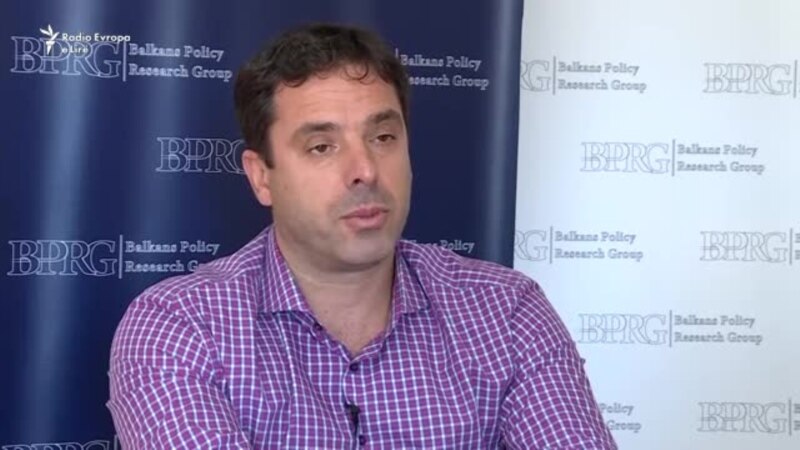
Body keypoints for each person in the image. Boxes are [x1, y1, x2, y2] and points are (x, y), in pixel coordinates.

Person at [107, 23, 616, 449]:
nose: (366, 170)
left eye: (383, 137)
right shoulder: (178, 326)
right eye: (322, 146)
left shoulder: (506, 310)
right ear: (261, 176)